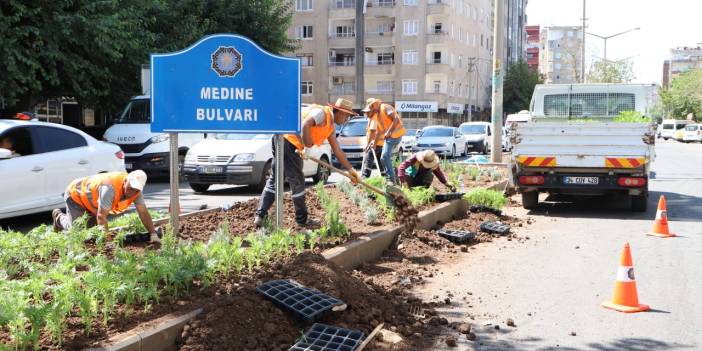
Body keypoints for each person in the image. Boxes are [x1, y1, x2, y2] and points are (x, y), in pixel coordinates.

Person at [254, 98, 360, 229]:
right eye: (347, 116)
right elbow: (305, 125)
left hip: (283, 138)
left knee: (275, 179)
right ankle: (302, 220)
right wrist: (307, 148)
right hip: (289, 141)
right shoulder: (322, 113)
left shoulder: (331, 127)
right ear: (341, 113)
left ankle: (260, 216)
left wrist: (350, 170)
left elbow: (337, 150)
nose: (346, 120)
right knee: (297, 182)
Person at [52, 170, 160, 242]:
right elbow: (101, 216)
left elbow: (143, 212)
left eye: (136, 190)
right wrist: (108, 242)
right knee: (77, 231)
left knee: (91, 233)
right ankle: (59, 218)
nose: (132, 192)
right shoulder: (110, 189)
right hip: (76, 195)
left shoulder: (136, 191)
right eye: (130, 188)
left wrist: (153, 234)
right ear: (126, 180)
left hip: (93, 203)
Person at [362, 98, 405, 183]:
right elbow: (379, 131)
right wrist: (374, 143)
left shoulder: (385, 108)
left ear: (374, 105)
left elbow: (396, 118)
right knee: (383, 158)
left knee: (384, 157)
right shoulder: (377, 115)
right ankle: (391, 178)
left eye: (370, 109)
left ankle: (391, 180)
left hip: (395, 136)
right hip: (389, 138)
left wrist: (389, 131)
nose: (369, 113)